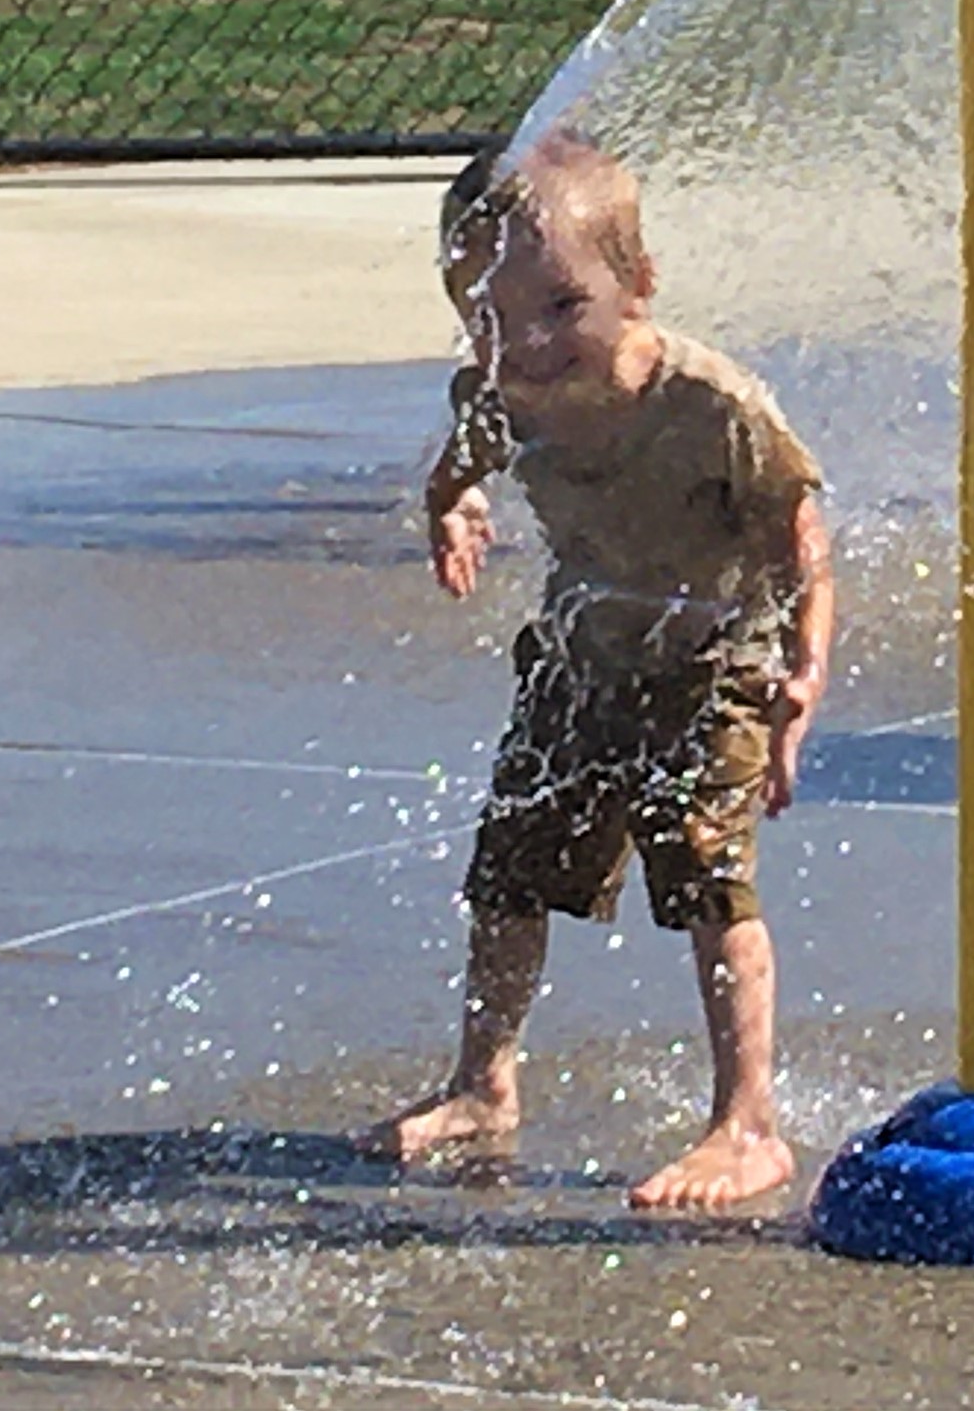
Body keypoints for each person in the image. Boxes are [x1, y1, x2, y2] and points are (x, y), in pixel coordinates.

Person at [367, 135, 833, 1211]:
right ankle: (483, 1083)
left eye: (560, 305)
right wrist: (454, 506)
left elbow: (805, 547)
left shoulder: (714, 406)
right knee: (509, 872)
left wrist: (804, 675)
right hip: (582, 655)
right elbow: (459, 462)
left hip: (715, 658)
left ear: (639, 283)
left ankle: (747, 1122)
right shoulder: (498, 391)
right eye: (485, 313)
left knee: (709, 882)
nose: (523, 341)